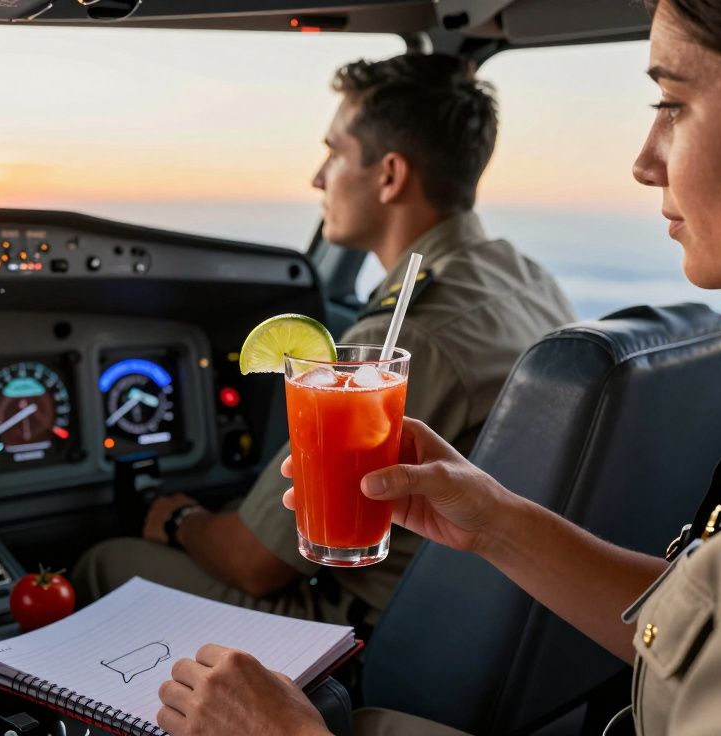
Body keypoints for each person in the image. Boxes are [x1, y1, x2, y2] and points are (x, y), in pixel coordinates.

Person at [154, 0, 721, 734]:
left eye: (672, 104)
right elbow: (716, 631)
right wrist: (493, 519)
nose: (644, 162)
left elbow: (254, 564)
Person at [72, 53, 576, 629]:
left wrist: (177, 517)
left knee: (104, 562)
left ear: (389, 175)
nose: (318, 177)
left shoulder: (406, 342)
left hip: (369, 625)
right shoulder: (528, 278)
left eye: (334, 152)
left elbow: (252, 563)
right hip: (485, 612)